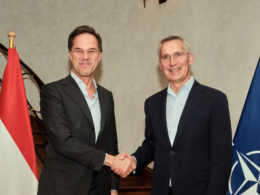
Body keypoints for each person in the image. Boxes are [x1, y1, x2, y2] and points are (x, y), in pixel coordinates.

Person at [125, 36, 232, 195]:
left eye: (178, 54)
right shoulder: (152, 103)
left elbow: (221, 159)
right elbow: (152, 145)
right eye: (165, 57)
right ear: (160, 65)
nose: (172, 62)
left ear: (190, 58)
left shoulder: (215, 100)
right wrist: (133, 161)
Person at [37, 25, 134, 195]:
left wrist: (113, 188)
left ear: (99, 56)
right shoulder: (52, 92)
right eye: (79, 51)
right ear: (70, 55)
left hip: (100, 188)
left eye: (92, 51)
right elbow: (63, 141)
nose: (85, 57)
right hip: (63, 188)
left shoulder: (106, 96)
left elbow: (111, 143)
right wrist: (111, 161)